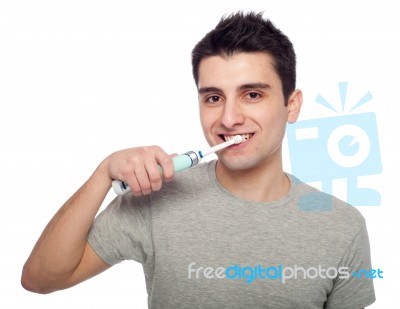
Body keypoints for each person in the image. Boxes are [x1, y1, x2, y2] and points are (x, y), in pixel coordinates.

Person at [21, 12, 376, 308]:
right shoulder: (156, 198)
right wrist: (102, 174)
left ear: (292, 105)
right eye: (213, 98)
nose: (229, 118)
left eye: (252, 94)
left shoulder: (342, 227)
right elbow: (40, 279)